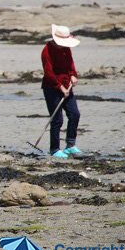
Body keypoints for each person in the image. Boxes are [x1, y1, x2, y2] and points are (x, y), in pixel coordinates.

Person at [41, 24, 81, 159]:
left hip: (66, 84)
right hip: (51, 87)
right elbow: (48, 73)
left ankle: (70, 145)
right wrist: (60, 87)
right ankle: (54, 149)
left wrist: (73, 75)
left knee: (74, 114)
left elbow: (70, 63)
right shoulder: (46, 51)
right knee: (57, 119)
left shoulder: (66, 48)